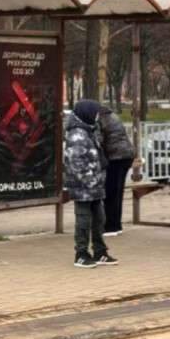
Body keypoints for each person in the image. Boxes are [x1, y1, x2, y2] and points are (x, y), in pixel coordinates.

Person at [64, 100, 116, 268]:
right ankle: (81, 253)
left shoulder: (89, 131)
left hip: (95, 186)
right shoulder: (77, 135)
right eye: (95, 113)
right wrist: (90, 180)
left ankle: (100, 251)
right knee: (84, 220)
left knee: (99, 218)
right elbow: (75, 163)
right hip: (84, 187)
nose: (97, 117)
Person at [97, 106, 136, 237]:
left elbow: (98, 140)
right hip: (126, 155)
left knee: (111, 192)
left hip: (115, 157)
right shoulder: (113, 116)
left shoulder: (100, 119)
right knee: (117, 191)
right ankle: (117, 225)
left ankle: (111, 227)